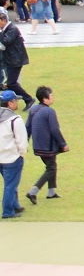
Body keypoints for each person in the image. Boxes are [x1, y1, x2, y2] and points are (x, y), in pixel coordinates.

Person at [22, 88, 66, 205]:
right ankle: (33, 191)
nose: (53, 97)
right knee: (51, 168)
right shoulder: (49, 112)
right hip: (48, 146)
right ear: (45, 99)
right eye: (51, 95)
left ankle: (51, 191)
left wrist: (25, 142)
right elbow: (54, 129)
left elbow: (28, 127)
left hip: (38, 145)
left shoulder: (33, 109)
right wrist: (63, 144)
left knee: (52, 165)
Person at [0, 91, 25, 220]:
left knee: (10, 183)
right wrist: (21, 154)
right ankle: (8, 211)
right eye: (16, 101)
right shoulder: (15, 119)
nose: (17, 102)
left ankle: (15, 205)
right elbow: (21, 140)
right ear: (10, 103)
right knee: (11, 185)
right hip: (11, 157)